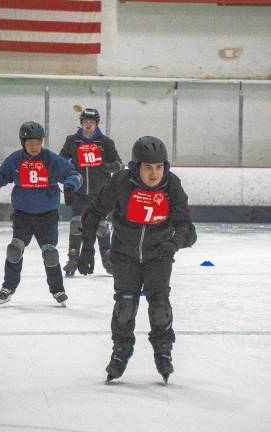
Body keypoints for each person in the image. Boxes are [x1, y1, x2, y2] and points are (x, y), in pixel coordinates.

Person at [77, 136, 197, 383]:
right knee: (125, 306)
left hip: (159, 255)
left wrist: (173, 244)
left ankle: (163, 351)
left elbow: (187, 228)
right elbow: (93, 213)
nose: (154, 174)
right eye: (148, 167)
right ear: (136, 166)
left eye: (159, 167)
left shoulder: (172, 186)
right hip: (124, 255)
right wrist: (86, 249)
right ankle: (121, 351)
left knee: (160, 305)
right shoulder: (121, 182)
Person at [0, 121, 82, 306]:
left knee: (50, 253)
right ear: (23, 143)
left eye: (37, 142)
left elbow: (74, 174)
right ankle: (8, 287)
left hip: (47, 216)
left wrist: (70, 185)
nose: (34, 146)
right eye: (30, 143)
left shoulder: (51, 159)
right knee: (14, 250)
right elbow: (3, 174)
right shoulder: (15, 159)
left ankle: (58, 290)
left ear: (42, 141)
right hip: (23, 215)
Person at [59, 108, 123, 277]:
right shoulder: (72, 141)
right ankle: (73, 257)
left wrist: (106, 167)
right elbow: (60, 161)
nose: (88, 125)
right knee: (76, 224)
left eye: (92, 123)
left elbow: (119, 164)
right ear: (81, 123)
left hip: (100, 193)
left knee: (101, 226)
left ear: (96, 125)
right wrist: (67, 177)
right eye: (86, 122)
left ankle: (107, 256)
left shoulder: (105, 142)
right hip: (79, 192)